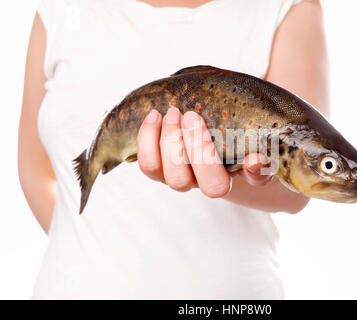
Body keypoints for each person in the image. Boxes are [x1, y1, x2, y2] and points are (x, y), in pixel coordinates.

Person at [19, 0, 329, 299]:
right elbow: (36, 174)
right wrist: (93, 262)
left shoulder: (287, 6)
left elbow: (296, 190)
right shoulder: (58, 8)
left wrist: (222, 173)